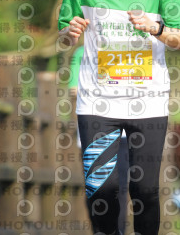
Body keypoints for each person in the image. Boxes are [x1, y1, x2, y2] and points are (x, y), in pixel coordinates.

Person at [54, 0, 180, 235]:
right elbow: (63, 37)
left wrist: (156, 29)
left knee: (144, 190)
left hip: (147, 100)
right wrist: (70, 33)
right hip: (97, 101)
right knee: (101, 189)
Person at [68, 45, 129, 233]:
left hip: (123, 134)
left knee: (119, 188)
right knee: (95, 188)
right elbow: (73, 89)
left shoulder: (128, 49)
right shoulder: (82, 52)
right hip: (92, 131)